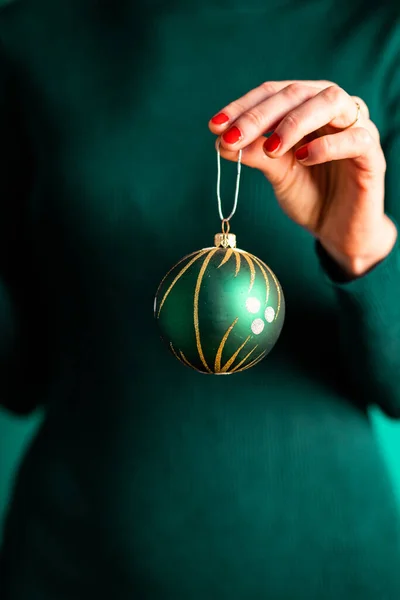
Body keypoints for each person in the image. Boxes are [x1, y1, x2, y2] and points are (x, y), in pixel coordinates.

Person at [1, 0, 400, 598]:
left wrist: (360, 243)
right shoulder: (27, 35)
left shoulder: (381, 35)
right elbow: (21, 374)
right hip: (78, 560)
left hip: (327, 565)